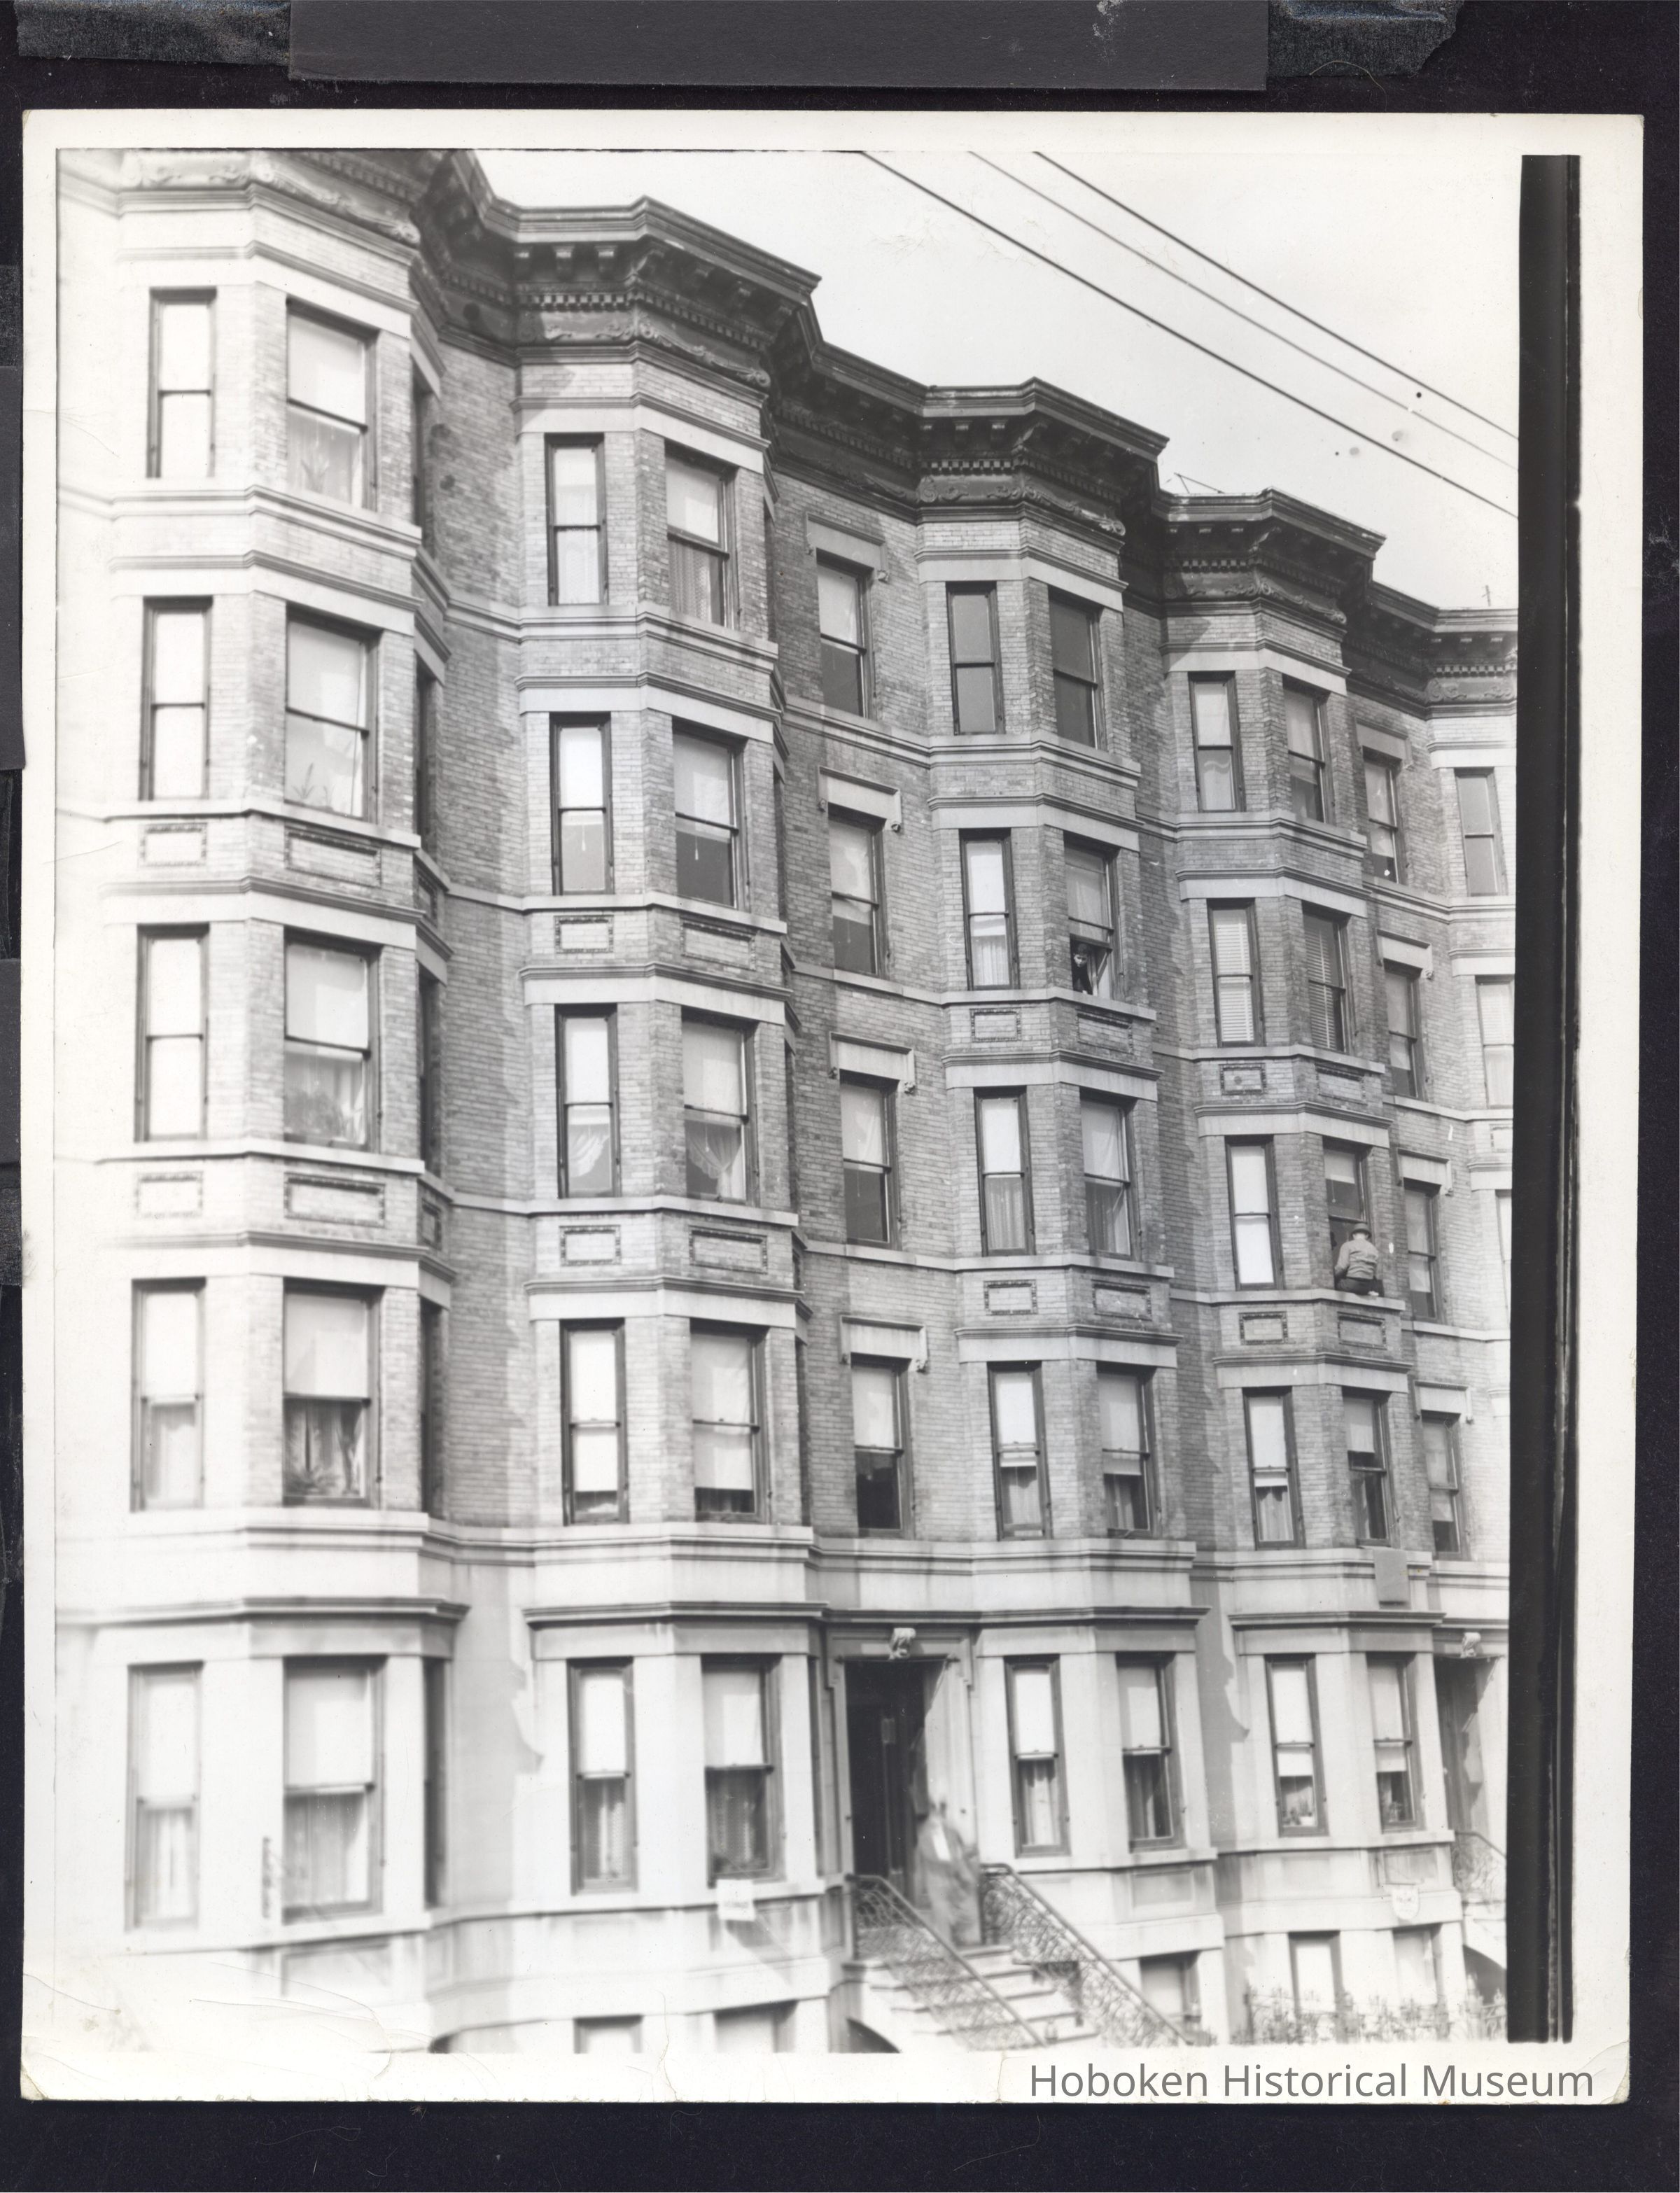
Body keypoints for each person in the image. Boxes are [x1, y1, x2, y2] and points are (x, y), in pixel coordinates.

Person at [1334, 1221, 1380, 1294]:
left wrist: (1332, 1277)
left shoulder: (1348, 1245)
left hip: (1351, 1284)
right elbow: (1376, 1272)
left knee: (1334, 1284)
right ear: (1367, 1236)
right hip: (1368, 1287)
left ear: (1354, 1235)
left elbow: (1341, 1267)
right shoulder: (1374, 1249)